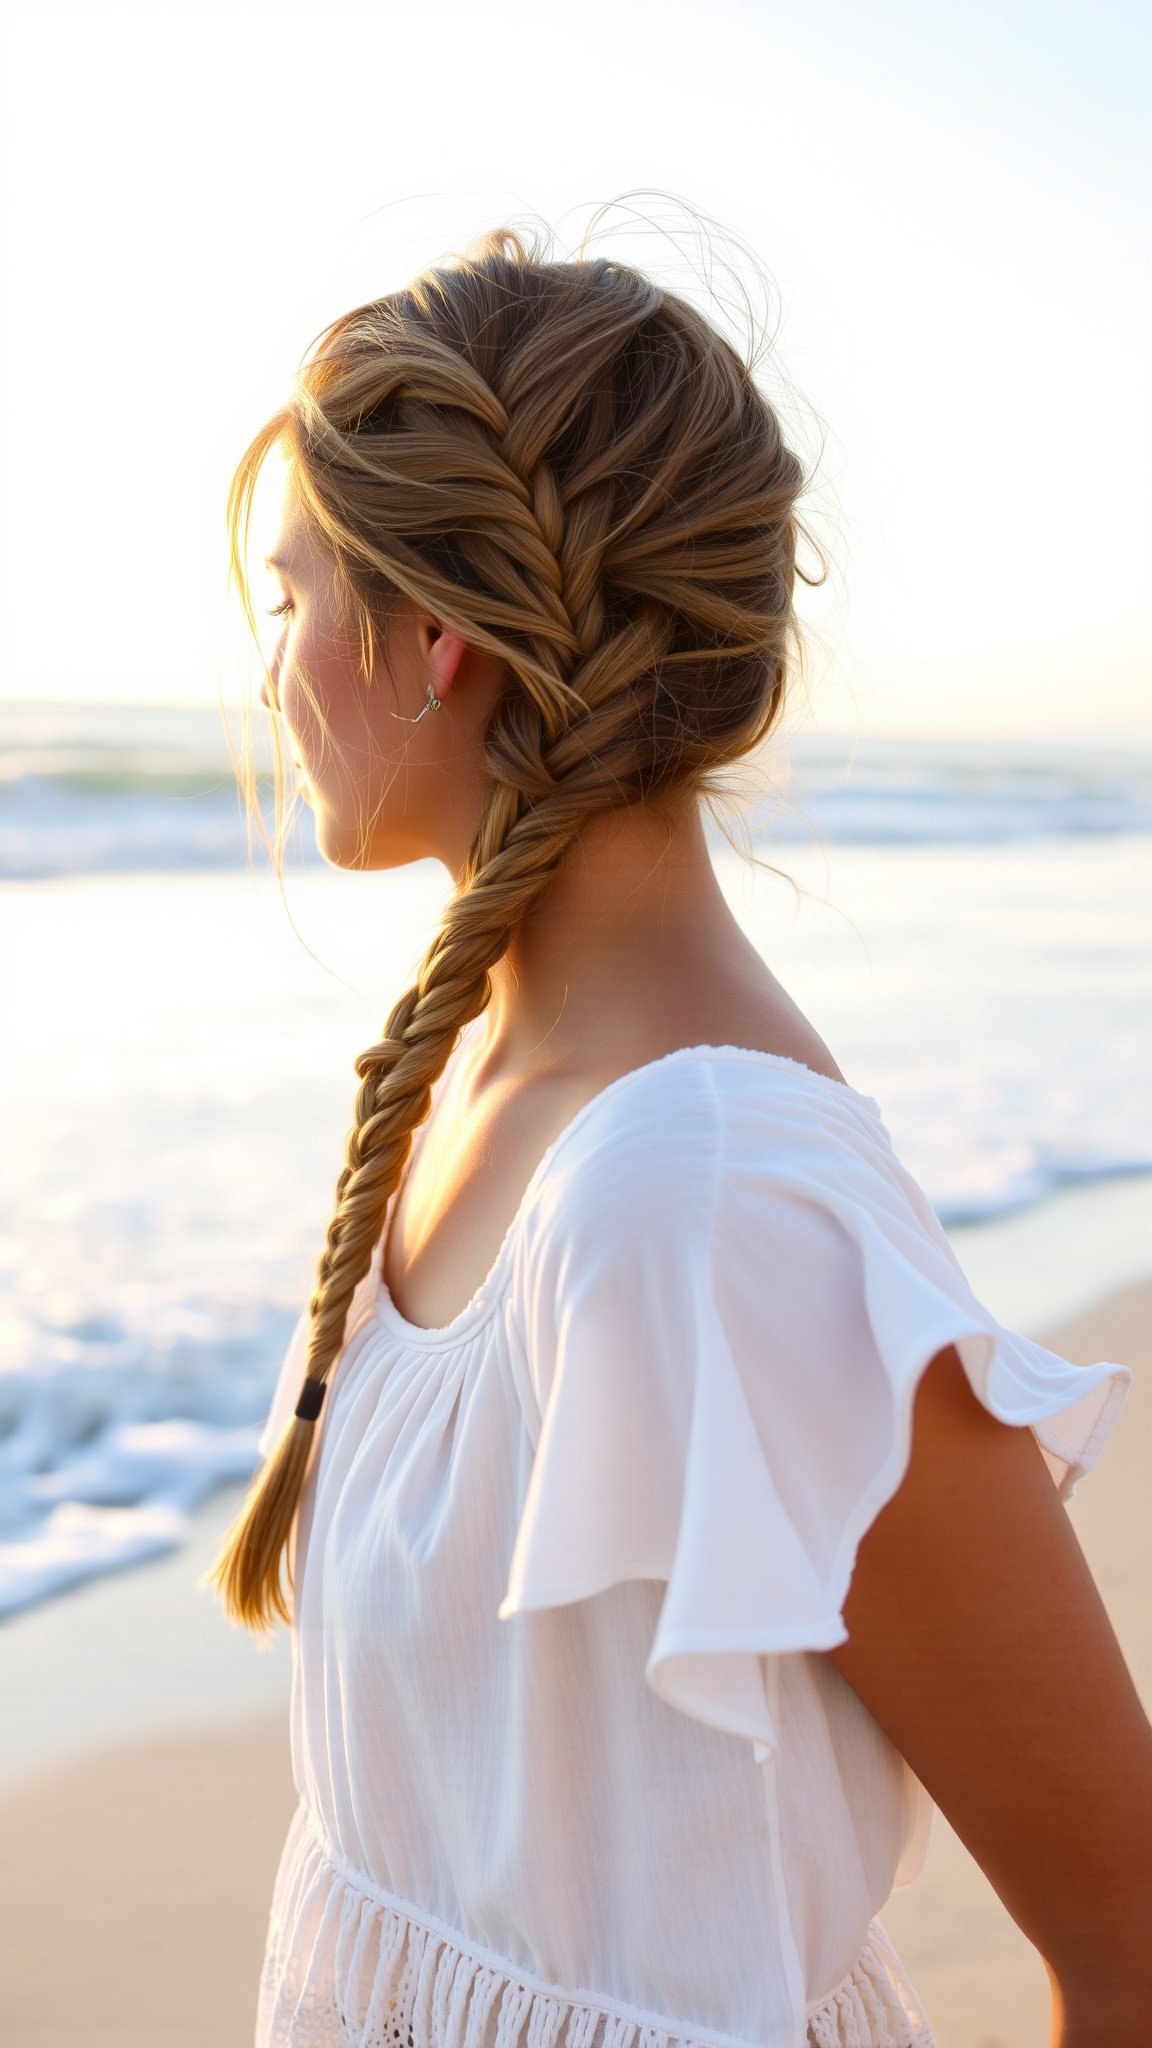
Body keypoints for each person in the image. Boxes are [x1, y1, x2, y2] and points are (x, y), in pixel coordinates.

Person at [201, 223, 1150, 2048]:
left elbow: (1126, 1935)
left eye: (287, 598)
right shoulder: (478, 1089)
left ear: (435, 636)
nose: (268, 674)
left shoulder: (695, 1199)